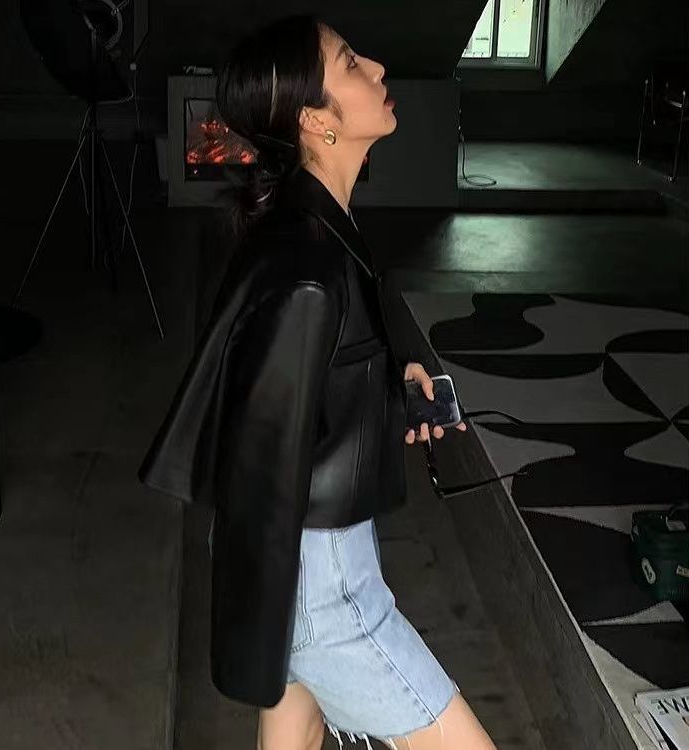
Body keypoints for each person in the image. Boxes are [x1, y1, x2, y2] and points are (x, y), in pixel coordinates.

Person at [138, 13, 497, 750]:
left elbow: (308, 381)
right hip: (313, 583)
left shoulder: (315, 222)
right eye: (352, 65)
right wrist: (261, 628)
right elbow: (259, 461)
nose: (378, 69)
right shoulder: (306, 264)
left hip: (313, 564)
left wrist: (391, 385)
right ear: (314, 120)